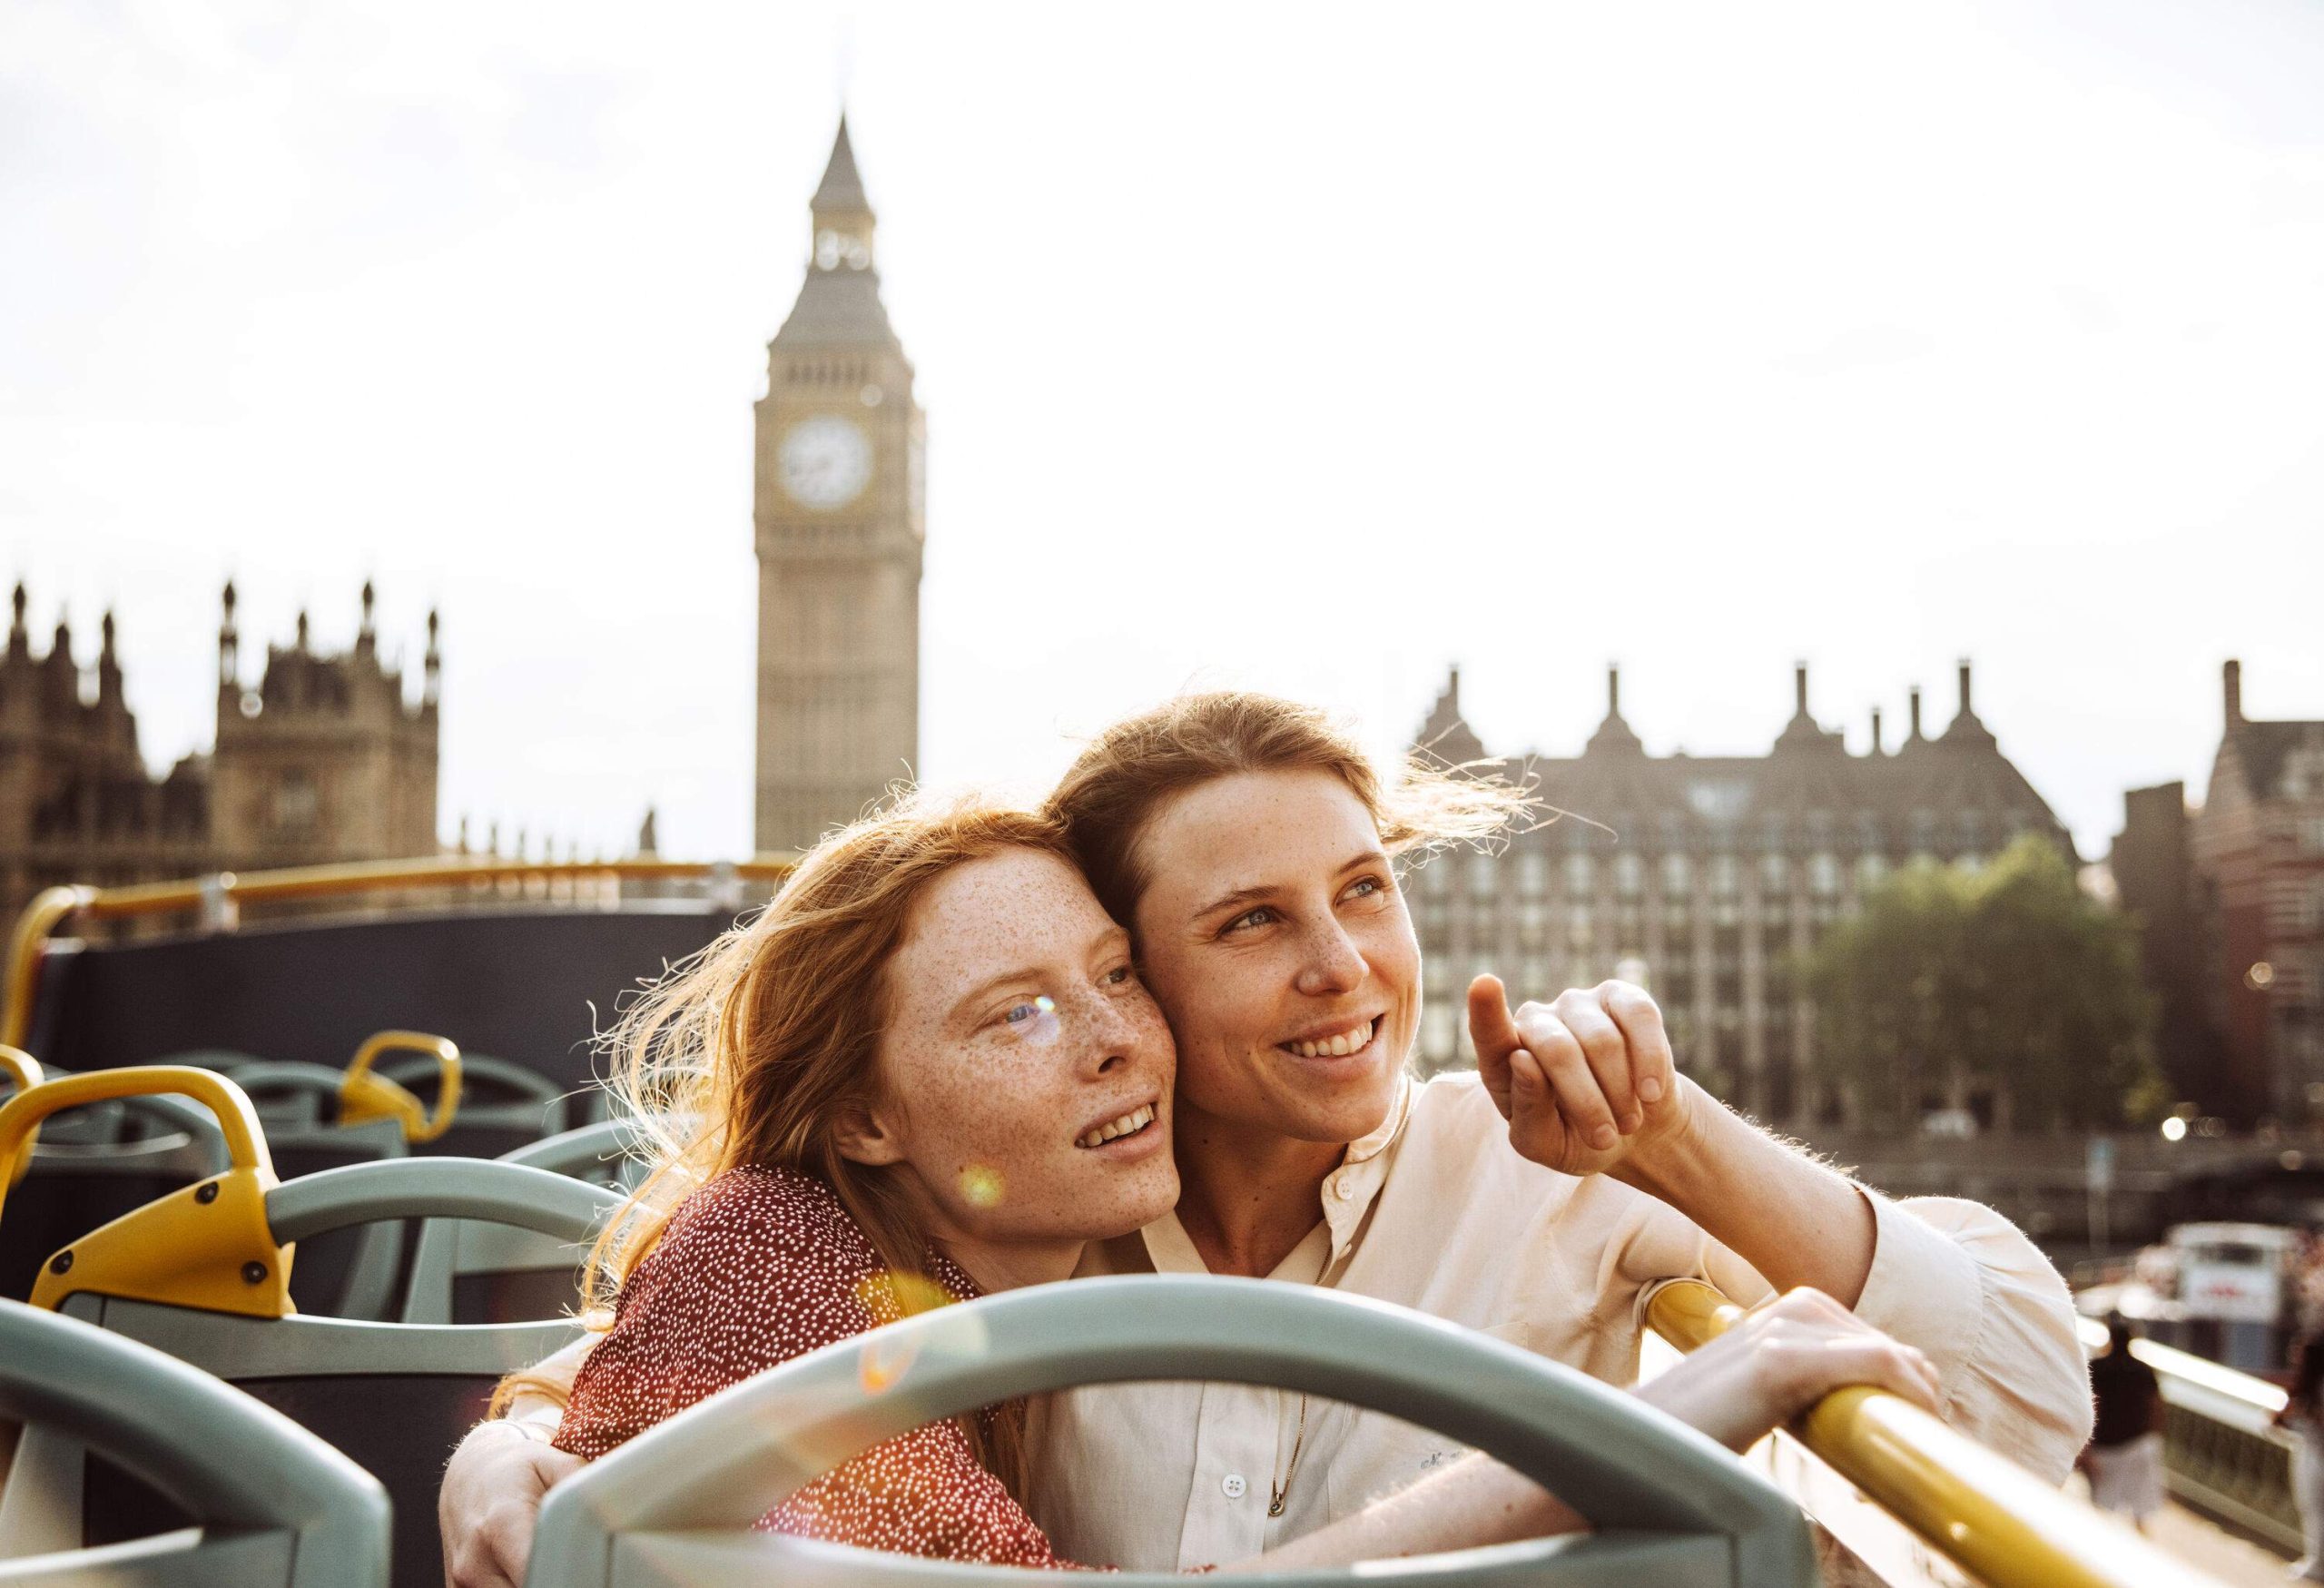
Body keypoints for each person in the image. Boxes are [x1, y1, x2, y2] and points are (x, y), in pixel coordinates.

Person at [442, 692, 2093, 1583]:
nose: (1346, 964)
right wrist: (518, 1443)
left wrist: (1675, 1136)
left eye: (1366, 889)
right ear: (1145, 966)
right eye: (1251, 921)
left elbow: (2027, 1396)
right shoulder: (1026, 1216)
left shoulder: (1550, 1176)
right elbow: (691, 1345)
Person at [2077, 1315, 2165, 1533]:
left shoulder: (2097, 1368)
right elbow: (2156, 1407)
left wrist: (2085, 1449)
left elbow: (2091, 1406)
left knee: (2101, 1507)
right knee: (2141, 1507)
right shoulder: (2144, 1370)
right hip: (2139, 1442)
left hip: (2105, 1444)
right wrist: (2154, 1437)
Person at [2280, 1328, 2324, 1580]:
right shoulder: (2309, 1386)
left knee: (2316, 1507)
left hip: (2317, 1453)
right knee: (2312, 1507)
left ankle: (2318, 1564)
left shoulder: (2316, 1385)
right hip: (2312, 1449)